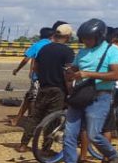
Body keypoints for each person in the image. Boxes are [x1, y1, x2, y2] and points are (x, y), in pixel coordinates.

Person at [51, 18, 118, 163]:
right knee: (69, 134)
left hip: (100, 96)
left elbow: (116, 75)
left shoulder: (113, 50)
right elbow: (75, 68)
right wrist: (70, 71)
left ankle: (113, 155)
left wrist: (88, 74)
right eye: (83, 38)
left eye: (89, 38)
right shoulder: (83, 52)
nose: (86, 41)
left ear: (99, 36)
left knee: (93, 134)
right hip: (81, 95)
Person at [18, 23, 75, 151]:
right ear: (68, 36)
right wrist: (70, 91)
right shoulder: (67, 52)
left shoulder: (44, 49)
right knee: (52, 119)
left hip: (43, 87)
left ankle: (23, 144)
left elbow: (36, 68)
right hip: (58, 89)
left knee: (35, 117)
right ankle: (46, 148)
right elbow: (68, 73)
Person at [11, 26, 53, 126]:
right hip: (51, 77)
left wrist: (17, 69)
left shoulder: (37, 45)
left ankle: (31, 121)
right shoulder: (53, 46)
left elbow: (27, 59)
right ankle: (22, 119)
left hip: (38, 77)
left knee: (32, 98)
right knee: (31, 97)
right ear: (52, 36)